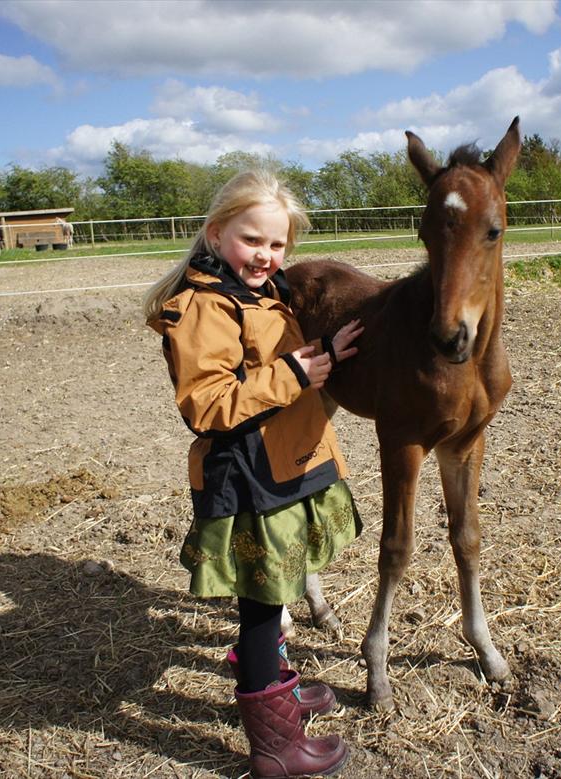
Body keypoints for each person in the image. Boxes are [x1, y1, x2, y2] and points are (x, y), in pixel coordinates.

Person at [144, 170, 362, 779]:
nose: (266, 255)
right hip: (247, 477)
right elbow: (208, 404)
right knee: (263, 603)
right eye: (252, 240)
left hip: (279, 466)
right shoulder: (205, 307)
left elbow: (272, 360)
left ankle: (279, 689)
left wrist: (324, 355)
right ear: (216, 235)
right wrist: (295, 373)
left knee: (276, 591)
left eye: (278, 244)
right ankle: (274, 749)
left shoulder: (258, 293)